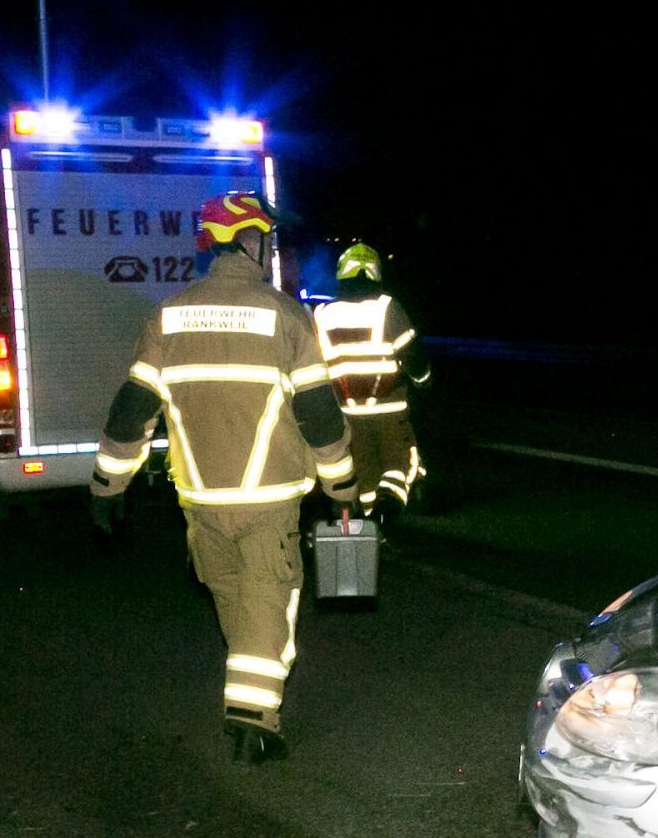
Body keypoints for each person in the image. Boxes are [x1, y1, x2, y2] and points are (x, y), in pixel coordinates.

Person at [90, 193, 357, 765]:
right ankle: (255, 722)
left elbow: (132, 411)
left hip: (200, 502)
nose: (269, 250)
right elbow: (320, 418)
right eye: (267, 239)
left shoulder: (168, 316)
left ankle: (247, 709)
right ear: (252, 241)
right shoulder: (286, 316)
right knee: (268, 610)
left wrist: (107, 487)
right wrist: (343, 488)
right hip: (269, 501)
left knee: (236, 603)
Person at [312, 243, 433, 528]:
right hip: (389, 410)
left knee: (364, 475)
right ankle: (385, 513)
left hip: (347, 416)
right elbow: (412, 355)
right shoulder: (387, 307)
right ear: (375, 273)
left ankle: (368, 529)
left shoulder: (320, 314)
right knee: (402, 466)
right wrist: (425, 383)